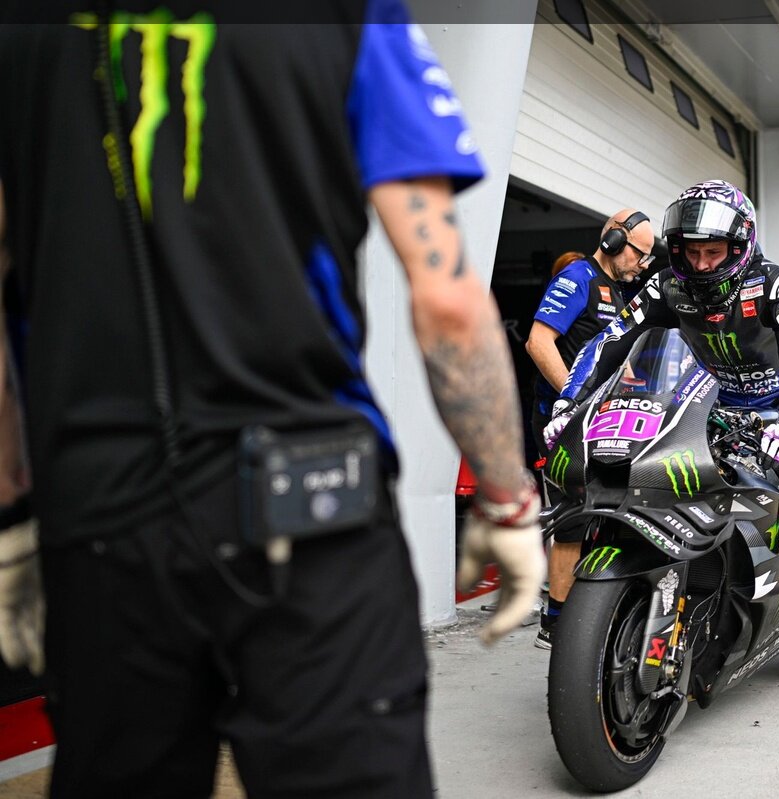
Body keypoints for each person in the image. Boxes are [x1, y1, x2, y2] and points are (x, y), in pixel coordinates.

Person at [0, 8, 546, 797]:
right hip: (310, 505)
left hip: (102, 521)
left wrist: (15, 518)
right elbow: (450, 299)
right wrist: (506, 498)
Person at [544, 180, 779, 650]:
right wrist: (569, 404)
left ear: (739, 247)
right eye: (691, 252)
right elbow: (610, 341)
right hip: (708, 408)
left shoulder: (775, 284)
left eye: (713, 252)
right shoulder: (666, 284)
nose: (701, 264)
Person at [526, 212, 655, 649]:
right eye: (640, 253)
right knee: (572, 521)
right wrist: (574, 398)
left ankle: (595, 615)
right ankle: (556, 624)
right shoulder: (577, 278)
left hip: (605, 423)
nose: (643, 263)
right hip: (563, 423)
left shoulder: (624, 292)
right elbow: (538, 342)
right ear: (615, 241)